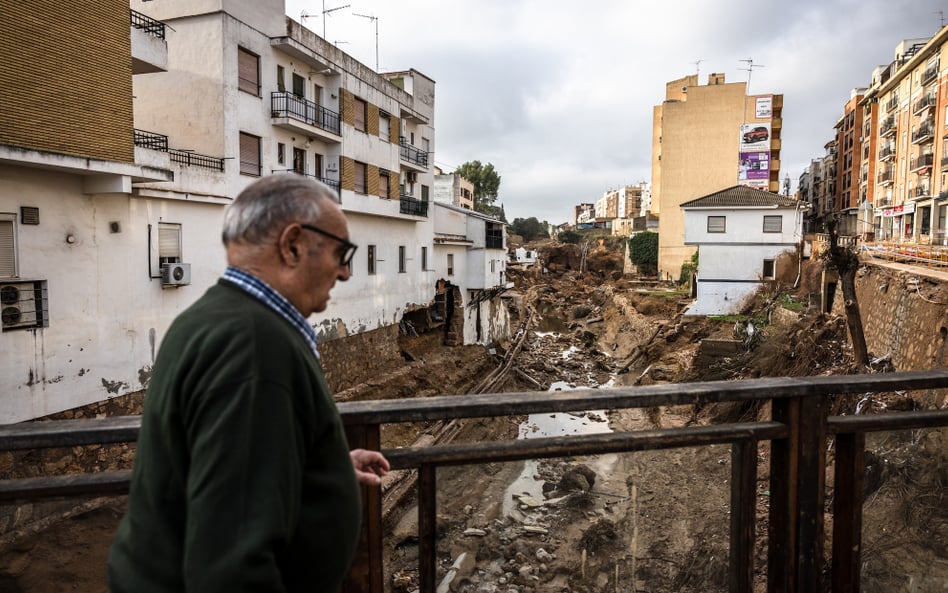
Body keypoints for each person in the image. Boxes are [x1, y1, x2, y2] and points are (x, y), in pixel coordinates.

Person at [108, 175, 389, 593]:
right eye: (341, 252)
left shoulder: (209, 319)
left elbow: (226, 467)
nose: (346, 272)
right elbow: (233, 568)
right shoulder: (256, 347)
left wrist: (318, 468)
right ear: (293, 245)